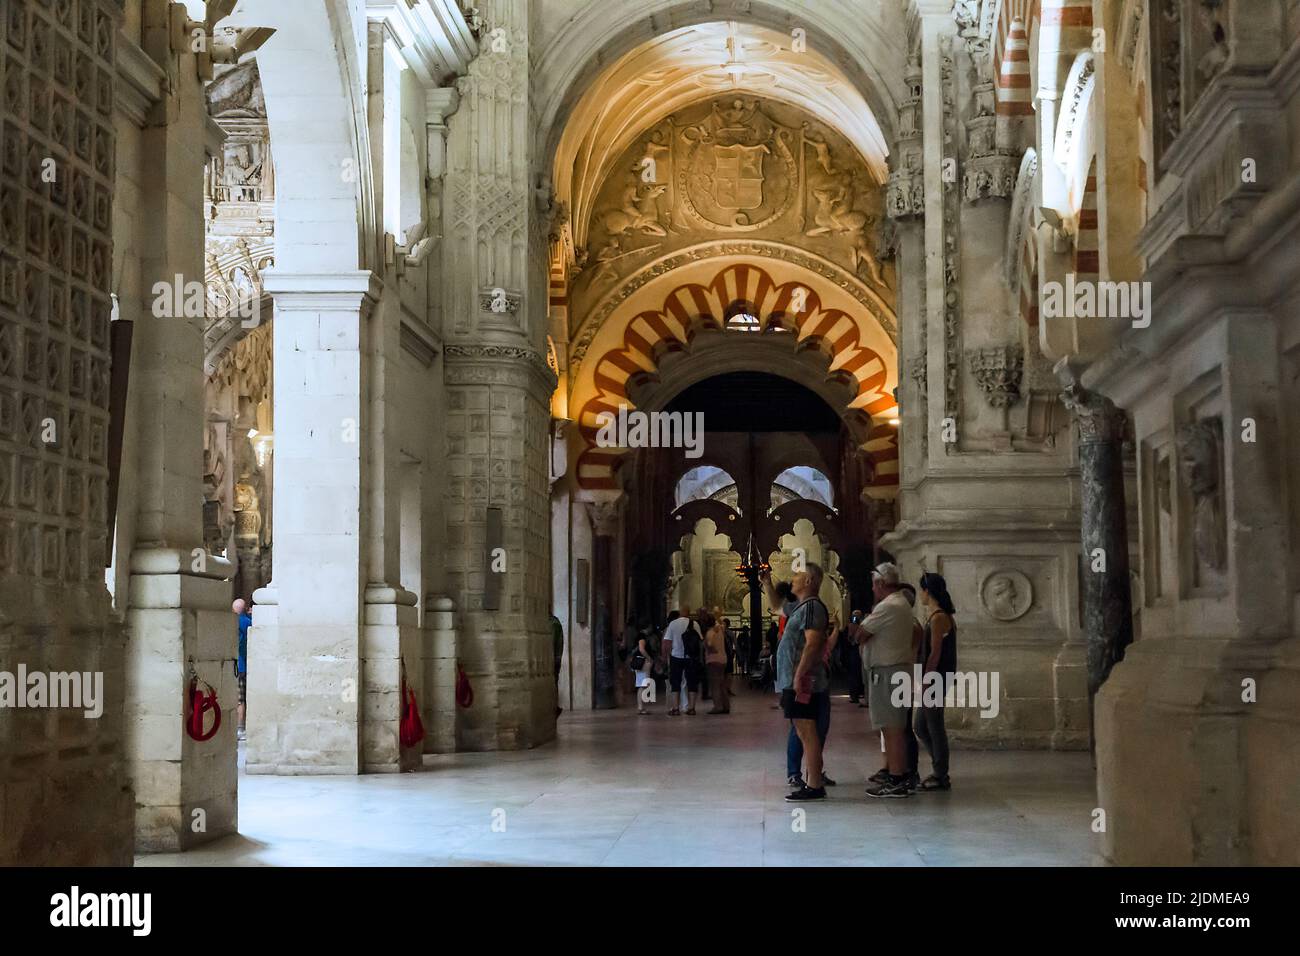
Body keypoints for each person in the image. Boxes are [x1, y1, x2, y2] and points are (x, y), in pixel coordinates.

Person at [858, 563, 919, 799]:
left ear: (881, 584)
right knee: (895, 727)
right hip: (897, 670)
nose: (873, 590)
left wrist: (861, 627)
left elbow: (860, 634)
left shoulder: (889, 606)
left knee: (892, 728)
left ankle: (896, 779)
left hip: (888, 673)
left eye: (874, 585)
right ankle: (898, 774)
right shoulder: (901, 604)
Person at [775, 563, 831, 801]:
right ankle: (812, 782)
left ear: (809, 580)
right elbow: (777, 606)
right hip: (797, 680)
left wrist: (799, 675)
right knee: (803, 730)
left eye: (797, 575)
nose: (793, 579)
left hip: (804, 681)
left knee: (807, 731)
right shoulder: (802, 607)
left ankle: (815, 785)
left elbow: (813, 642)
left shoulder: (811, 608)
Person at [916, 572, 957, 791]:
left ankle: (941, 774)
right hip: (935, 677)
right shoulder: (936, 616)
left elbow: (935, 653)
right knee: (921, 726)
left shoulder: (939, 617)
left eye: (921, 590)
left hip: (936, 678)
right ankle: (939, 768)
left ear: (927, 591)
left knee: (933, 726)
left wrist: (926, 680)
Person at [661, 605, 699, 716]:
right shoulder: (694, 624)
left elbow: (667, 642)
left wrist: (667, 656)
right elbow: (699, 641)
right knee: (692, 682)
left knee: (675, 683)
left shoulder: (673, 624)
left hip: (676, 656)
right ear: (689, 612)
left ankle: (675, 708)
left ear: (680, 612)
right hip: (691, 657)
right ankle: (691, 708)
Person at [232, 598, 252, 738]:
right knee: (241, 699)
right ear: (245, 608)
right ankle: (240, 728)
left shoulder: (228, 621)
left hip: (232, 664)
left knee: (235, 697)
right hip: (243, 666)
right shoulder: (247, 622)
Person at [705, 612, 730, 714]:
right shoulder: (720, 629)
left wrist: (710, 649)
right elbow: (722, 624)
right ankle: (726, 705)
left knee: (715, 685)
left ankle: (717, 706)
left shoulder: (710, 632)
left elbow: (710, 644)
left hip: (713, 660)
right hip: (723, 659)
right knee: (722, 684)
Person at [551, 614, 565, 717]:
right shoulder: (554, 622)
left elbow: (551, 643)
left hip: (552, 660)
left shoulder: (553, 623)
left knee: (552, 684)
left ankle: (553, 708)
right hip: (555, 659)